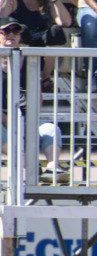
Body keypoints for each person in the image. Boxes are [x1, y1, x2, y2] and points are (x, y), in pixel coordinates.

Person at [1, 16, 70, 183]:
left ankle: (53, 167)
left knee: (50, 129)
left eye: (15, 31)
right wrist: (14, 126)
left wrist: (28, 123)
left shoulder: (29, 60)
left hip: (25, 119)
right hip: (4, 123)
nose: (11, 34)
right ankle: (30, 165)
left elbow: (36, 97)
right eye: (6, 31)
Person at [0, 0, 71, 83]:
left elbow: (65, 22)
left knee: (56, 32)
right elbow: (1, 14)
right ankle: (19, 78)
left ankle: (45, 78)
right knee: (23, 31)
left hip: (40, 52)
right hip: (17, 51)